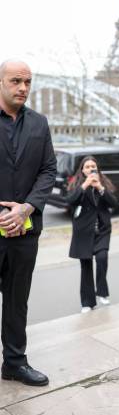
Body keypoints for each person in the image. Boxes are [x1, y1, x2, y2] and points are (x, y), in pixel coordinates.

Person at [0, 60, 57, 386]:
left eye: (28, 82)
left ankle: (14, 363)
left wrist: (26, 208)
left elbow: (48, 169)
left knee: (17, 301)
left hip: (25, 230)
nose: (22, 87)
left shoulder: (39, 123)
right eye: (15, 81)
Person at [67, 156, 117, 313]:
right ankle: (87, 302)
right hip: (83, 232)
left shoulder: (103, 183)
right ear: (82, 170)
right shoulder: (77, 184)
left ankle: (102, 292)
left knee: (102, 257)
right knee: (86, 266)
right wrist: (84, 185)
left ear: (97, 169)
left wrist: (100, 188)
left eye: (93, 166)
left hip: (102, 230)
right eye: (87, 166)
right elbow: (70, 200)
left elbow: (114, 203)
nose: (90, 169)